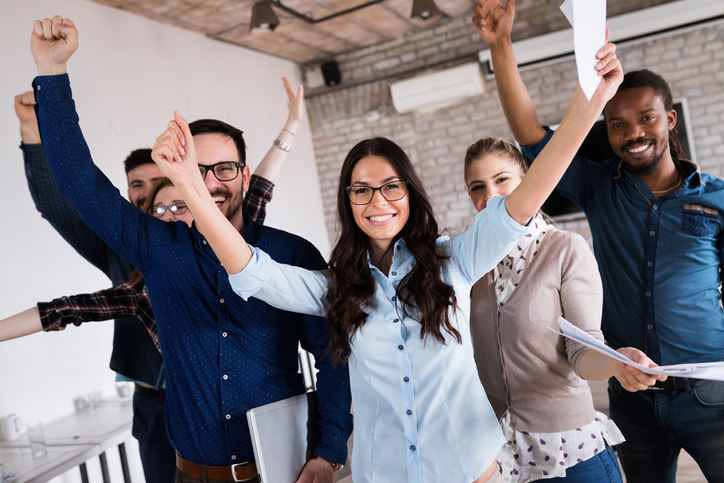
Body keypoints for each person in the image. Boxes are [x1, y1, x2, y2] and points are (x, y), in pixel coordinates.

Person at [150, 14, 625, 479]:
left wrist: (591, 102)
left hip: (469, 468)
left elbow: (525, 199)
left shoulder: (454, 260)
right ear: (349, 201)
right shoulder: (337, 290)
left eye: (391, 186)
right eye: (361, 189)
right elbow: (253, 271)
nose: (377, 201)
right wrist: (190, 185)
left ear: (409, 194)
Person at [29, 16, 352, 483]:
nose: (211, 182)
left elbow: (332, 354)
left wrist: (331, 451)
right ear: (178, 174)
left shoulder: (291, 253)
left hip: (281, 473)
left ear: (245, 175)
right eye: (195, 169)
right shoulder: (158, 247)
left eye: (224, 169)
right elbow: (80, 183)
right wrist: (52, 72)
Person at [473, 0, 724, 481]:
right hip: (634, 396)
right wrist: (501, 44)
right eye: (617, 124)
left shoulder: (714, 200)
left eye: (646, 119)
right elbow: (529, 132)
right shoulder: (598, 186)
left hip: (708, 395)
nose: (634, 133)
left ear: (669, 120)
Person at [463, 137, 664, 482]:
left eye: (502, 180)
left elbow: (583, 347)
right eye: (477, 187)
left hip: (568, 451)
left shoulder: (565, 249)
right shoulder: (468, 261)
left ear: (527, 180)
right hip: (498, 454)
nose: (490, 196)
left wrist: (615, 362)